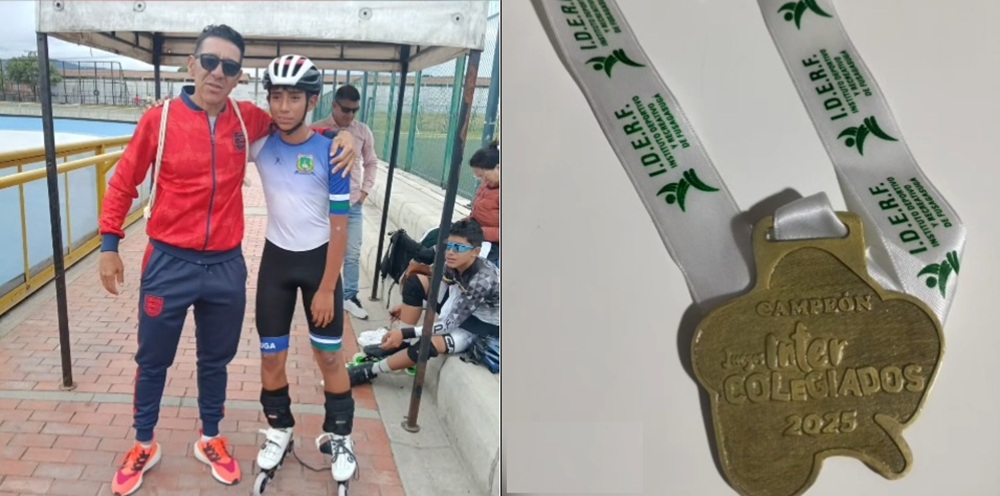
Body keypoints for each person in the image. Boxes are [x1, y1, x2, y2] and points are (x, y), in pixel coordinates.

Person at [98, 25, 356, 496]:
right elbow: (123, 181)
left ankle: (211, 436)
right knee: (153, 360)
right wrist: (110, 243)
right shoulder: (159, 120)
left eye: (230, 66)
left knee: (215, 360)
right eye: (210, 61)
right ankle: (142, 443)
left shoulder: (246, 119)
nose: (218, 72)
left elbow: (298, 131)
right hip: (168, 262)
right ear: (192, 64)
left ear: (239, 77)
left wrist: (346, 137)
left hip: (225, 266)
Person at [250, 54, 358, 485]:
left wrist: (328, 287)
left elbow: (340, 226)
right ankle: (280, 428)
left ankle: (341, 434)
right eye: (276, 96)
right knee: (270, 356)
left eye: (294, 97)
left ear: (312, 101)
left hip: (319, 265)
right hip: (276, 263)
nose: (283, 107)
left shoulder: (333, 151)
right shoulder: (260, 145)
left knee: (329, 356)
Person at [347, 219, 500, 385]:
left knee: (427, 344)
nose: (451, 252)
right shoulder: (454, 261)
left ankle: (370, 370)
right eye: (449, 245)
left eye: (459, 248)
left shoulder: (483, 279)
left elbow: (449, 324)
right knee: (415, 283)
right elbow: (441, 289)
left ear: (476, 252)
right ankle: (402, 345)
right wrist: (411, 306)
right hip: (463, 307)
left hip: (481, 327)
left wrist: (404, 332)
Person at [315, 84, 379, 320]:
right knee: (320, 250)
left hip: (352, 205)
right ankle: (321, 292)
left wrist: (364, 193)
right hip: (323, 205)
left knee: (352, 253)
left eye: (355, 110)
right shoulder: (318, 130)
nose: (350, 115)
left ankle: (350, 296)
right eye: (345, 110)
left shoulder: (362, 131)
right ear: (334, 105)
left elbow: (371, 162)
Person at [465, 140, 500, 268]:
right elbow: (478, 212)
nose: (483, 180)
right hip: (477, 233)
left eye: (484, 176)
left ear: (498, 168)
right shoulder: (488, 184)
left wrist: (481, 232)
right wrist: (467, 221)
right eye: (479, 177)